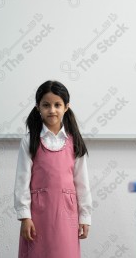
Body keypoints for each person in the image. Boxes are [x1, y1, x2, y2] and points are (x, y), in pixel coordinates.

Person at [14, 80, 92, 258]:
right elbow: (21, 182)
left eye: (57, 105)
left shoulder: (75, 142)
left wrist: (85, 217)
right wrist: (25, 217)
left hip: (67, 216)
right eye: (46, 105)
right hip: (38, 215)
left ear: (66, 107)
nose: (52, 110)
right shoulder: (30, 140)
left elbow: (82, 183)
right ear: (38, 107)